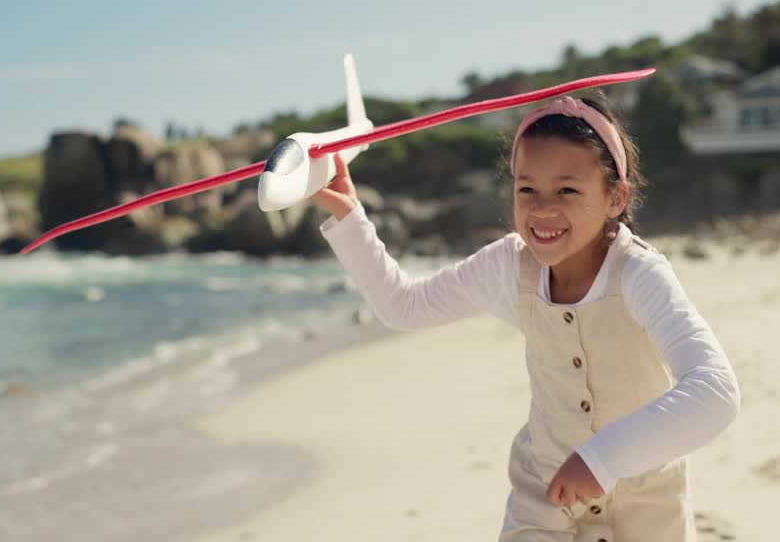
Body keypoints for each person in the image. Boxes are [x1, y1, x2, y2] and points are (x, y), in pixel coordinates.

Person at [312, 94, 740, 541]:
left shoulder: (639, 272)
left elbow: (716, 391)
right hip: (545, 502)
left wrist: (603, 459)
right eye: (526, 188)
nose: (542, 208)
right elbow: (404, 305)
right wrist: (347, 214)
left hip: (647, 509)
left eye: (568, 190)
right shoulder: (509, 266)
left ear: (616, 197)